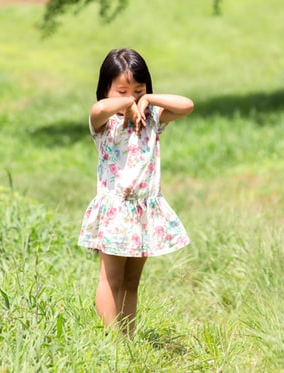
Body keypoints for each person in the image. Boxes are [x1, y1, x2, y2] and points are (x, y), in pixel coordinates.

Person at [78, 48, 194, 336]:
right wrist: (126, 104)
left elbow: (187, 105)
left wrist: (148, 100)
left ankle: (127, 339)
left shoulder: (152, 116)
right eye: (121, 90)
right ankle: (109, 341)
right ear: (106, 89)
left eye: (138, 89)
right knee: (111, 279)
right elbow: (97, 110)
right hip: (117, 210)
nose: (131, 96)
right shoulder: (105, 123)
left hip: (144, 211)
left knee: (131, 281)